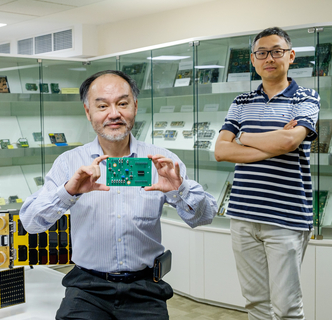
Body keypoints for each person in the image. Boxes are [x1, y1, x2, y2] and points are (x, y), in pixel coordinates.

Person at [20, 70, 218, 320]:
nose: (114, 113)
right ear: (88, 111)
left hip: (145, 288)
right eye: (102, 105)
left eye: (122, 103)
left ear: (135, 106)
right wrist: (68, 192)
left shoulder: (161, 160)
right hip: (86, 288)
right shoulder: (69, 162)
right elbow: (30, 222)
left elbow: (204, 217)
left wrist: (180, 190)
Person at [215, 27, 320, 320]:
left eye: (276, 51)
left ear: (291, 55)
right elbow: (221, 151)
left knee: (287, 307)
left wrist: (244, 137)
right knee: (255, 303)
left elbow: (290, 141)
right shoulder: (241, 102)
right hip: (243, 216)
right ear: (253, 59)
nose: (269, 58)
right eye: (262, 53)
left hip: (286, 217)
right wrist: (274, 142)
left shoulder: (306, 98)